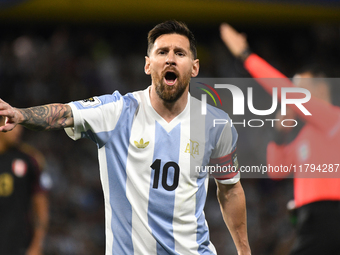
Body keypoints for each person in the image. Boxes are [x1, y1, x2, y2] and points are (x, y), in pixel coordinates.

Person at [0, 21, 251, 255]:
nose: (171, 59)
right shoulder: (117, 112)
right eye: (162, 52)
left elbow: (230, 190)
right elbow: (64, 114)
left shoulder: (216, 124)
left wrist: (244, 251)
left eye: (180, 53)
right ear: (147, 64)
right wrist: (20, 114)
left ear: (194, 67)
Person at [220, 23, 340, 254]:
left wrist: (246, 56)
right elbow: (277, 169)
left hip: (330, 214)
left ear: (321, 88)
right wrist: (279, 134)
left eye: (300, 88)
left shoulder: (333, 120)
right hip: (309, 220)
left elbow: (281, 87)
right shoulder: (307, 135)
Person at [0, 122, 49, 255]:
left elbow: (40, 206)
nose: (18, 131)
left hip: (18, 243)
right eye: (12, 124)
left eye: (19, 126)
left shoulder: (29, 160)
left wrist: (37, 244)